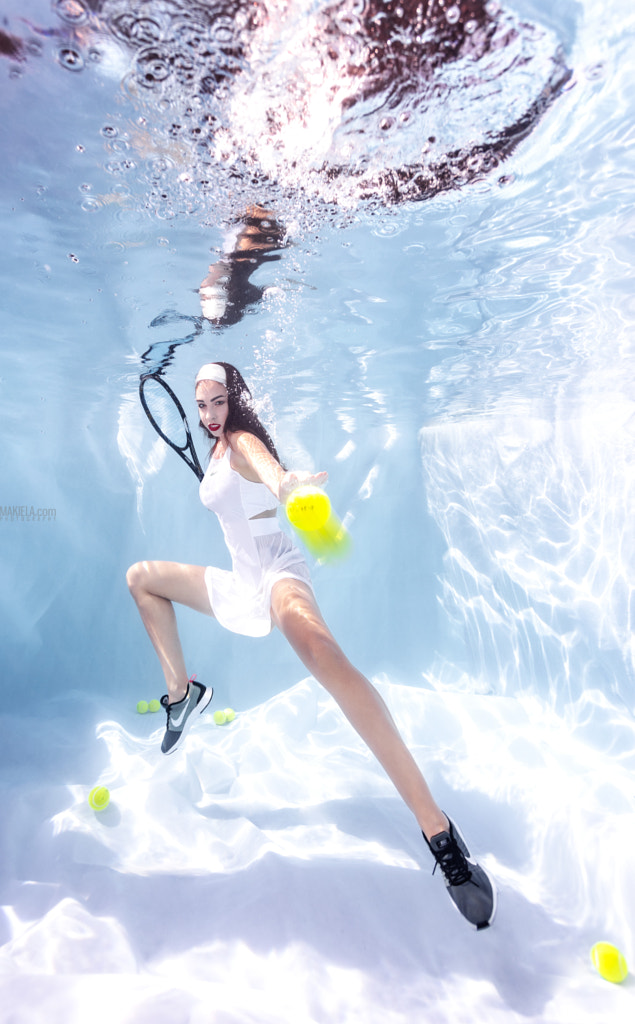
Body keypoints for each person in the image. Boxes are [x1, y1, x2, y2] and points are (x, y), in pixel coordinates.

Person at [127, 361, 496, 929]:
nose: (208, 416)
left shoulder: (244, 439)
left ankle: (438, 831)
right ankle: (182, 696)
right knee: (141, 579)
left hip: (278, 576)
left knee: (327, 659)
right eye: (201, 406)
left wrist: (287, 484)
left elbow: (268, 471)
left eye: (217, 403)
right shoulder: (219, 449)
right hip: (241, 587)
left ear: (235, 398)